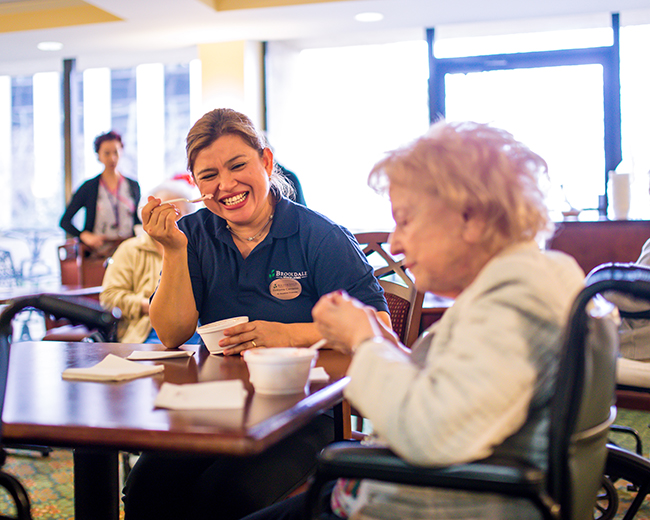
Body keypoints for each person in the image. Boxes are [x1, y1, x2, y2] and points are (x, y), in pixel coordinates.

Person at [238, 120, 586, 520]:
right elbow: (451, 397)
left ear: (469, 218)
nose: (394, 242)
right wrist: (374, 338)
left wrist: (364, 339)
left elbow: (429, 431)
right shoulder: (543, 278)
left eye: (405, 220)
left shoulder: (515, 304)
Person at [123, 108, 389, 520]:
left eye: (238, 165)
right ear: (195, 184)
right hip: (215, 405)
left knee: (223, 496)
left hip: (306, 410)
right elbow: (172, 334)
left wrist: (289, 334)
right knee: (146, 488)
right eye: (208, 175)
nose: (226, 185)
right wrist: (172, 251)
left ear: (266, 162)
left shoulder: (318, 235)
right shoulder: (192, 233)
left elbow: (381, 327)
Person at [99, 178, 199, 344]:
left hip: (196, 331)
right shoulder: (131, 249)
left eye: (175, 213)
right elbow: (109, 297)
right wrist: (150, 306)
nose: (166, 219)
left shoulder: (196, 248)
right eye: (160, 212)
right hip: (145, 334)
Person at [59, 130, 141, 254]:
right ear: (98, 155)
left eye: (116, 152)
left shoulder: (132, 185)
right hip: (99, 252)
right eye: (106, 153)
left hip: (128, 250)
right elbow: (65, 221)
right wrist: (84, 236)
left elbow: (136, 220)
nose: (112, 158)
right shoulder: (89, 187)